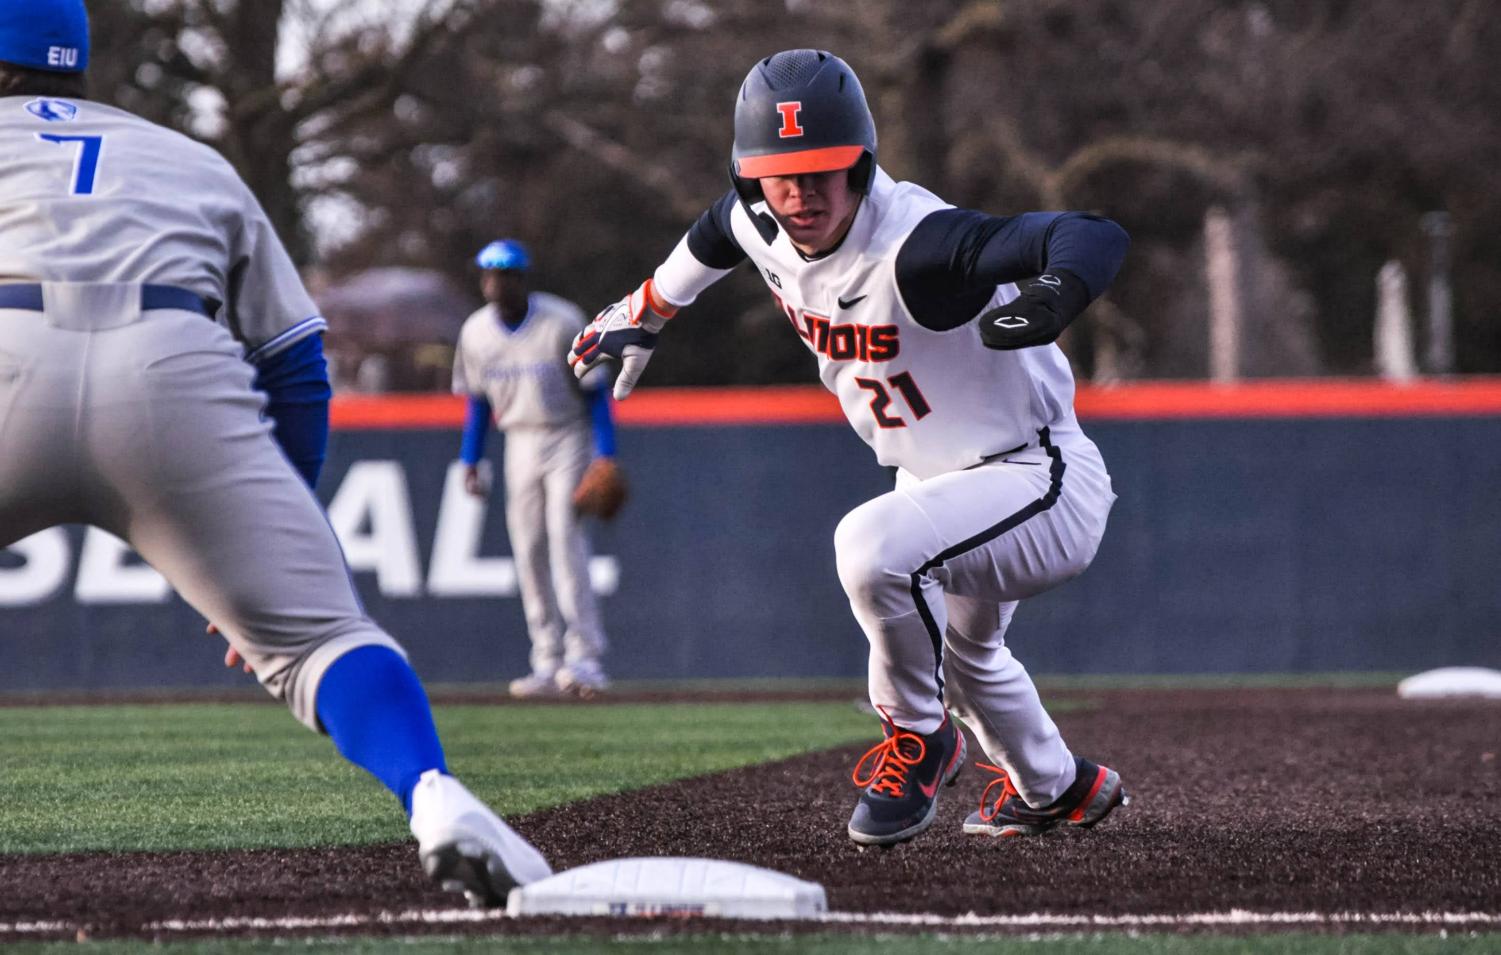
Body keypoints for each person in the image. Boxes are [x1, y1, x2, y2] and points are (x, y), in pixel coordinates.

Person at [0, 0, 549, 904]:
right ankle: (435, 798)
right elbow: (296, 363)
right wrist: (273, 520)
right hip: (171, 363)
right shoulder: (190, 160)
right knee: (324, 640)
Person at [570, 49, 1132, 847]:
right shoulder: (757, 216)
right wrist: (649, 305)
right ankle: (1057, 787)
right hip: (939, 478)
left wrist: (1055, 292)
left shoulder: (918, 243)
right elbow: (714, 233)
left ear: (862, 166)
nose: (798, 193)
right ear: (750, 178)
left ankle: (915, 733)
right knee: (968, 661)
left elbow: (1089, 233)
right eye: (777, 174)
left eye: (822, 171)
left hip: (1037, 477)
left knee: (870, 548)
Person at [454, 239, 618, 699]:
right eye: (489, 273)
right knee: (527, 549)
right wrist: (471, 458)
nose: (495, 282)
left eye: (505, 274)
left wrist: (604, 454)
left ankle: (584, 658)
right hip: (519, 438)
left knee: (567, 541)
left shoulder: (561, 321)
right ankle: (546, 659)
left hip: (567, 434)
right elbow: (478, 401)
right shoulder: (476, 332)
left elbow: (595, 395)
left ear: (521, 278)